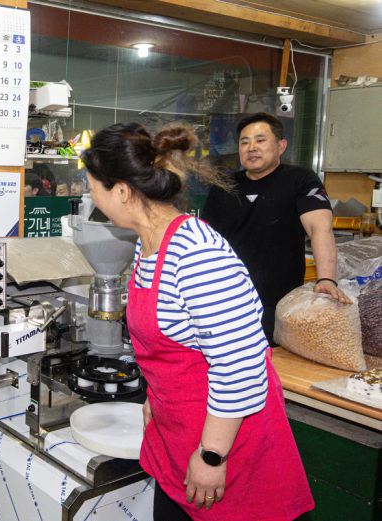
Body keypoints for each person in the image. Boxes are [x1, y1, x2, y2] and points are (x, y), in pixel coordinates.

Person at [81, 122, 314, 520]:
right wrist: (156, 400)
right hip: (175, 433)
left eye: (92, 186)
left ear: (121, 190)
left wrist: (211, 455)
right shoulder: (148, 244)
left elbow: (240, 367)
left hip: (225, 450)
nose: (90, 195)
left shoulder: (198, 254)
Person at [202, 113, 349, 345]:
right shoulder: (224, 185)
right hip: (225, 301)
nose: (251, 148)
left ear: (281, 146)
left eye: (260, 140)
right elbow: (204, 240)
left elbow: (320, 229)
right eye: (244, 142)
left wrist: (327, 279)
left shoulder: (300, 180)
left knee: (272, 366)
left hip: (277, 302)